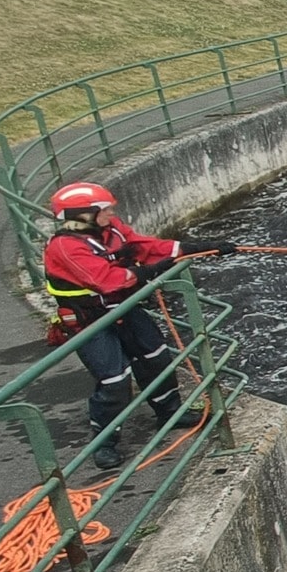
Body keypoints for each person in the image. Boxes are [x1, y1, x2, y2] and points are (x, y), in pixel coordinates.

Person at [41, 182, 235, 469]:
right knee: (113, 380)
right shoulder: (65, 247)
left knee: (156, 356)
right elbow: (106, 280)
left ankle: (169, 412)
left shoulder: (113, 230)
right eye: (104, 209)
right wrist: (153, 271)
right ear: (82, 215)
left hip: (125, 308)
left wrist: (200, 249)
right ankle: (104, 442)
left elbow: (147, 247)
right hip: (90, 321)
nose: (110, 213)